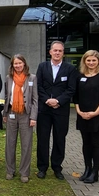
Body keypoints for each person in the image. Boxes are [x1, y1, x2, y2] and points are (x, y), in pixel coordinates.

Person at [36, 41, 78, 180]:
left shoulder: (70, 69)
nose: (57, 53)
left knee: (59, 139)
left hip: (61, 110)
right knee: (43, 139)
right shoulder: (42, 67)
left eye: (60, 51)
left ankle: (57, 167)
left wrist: (58, 101)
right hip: (44, 109)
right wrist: (47, 100)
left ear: (63, 53)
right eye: (55, 50)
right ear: (50, 52)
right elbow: (39, 86)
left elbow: (71, 89)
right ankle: (42, 168)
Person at [74, 50, 99, 184]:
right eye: (88, 60)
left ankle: (95, 172)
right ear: (84, 61)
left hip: (97, 116)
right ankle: (87, 169)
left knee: (96, 144)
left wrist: (95, 113)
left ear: (98, 61)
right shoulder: (80, 76)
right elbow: (76, 97)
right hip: (82, 115)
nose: (91, 63)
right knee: (86, 144)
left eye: (93, 60)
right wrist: (79, 111)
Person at [2, 54, 37, 183]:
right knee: (10, 143)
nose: (17, 66)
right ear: (12, 65)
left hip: (26, 115)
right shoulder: (8, 78)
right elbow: (6, 97)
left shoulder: (31, 78)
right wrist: (5, 114)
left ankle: (24, 172)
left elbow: (35, 99)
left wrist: (33, 117)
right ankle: (10, 170)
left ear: (24, 64)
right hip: (11, 113)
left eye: (19, 63)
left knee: (26, 144)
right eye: (15, 64)